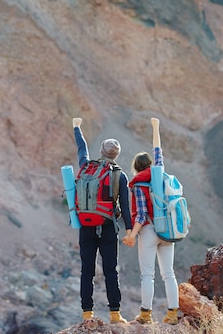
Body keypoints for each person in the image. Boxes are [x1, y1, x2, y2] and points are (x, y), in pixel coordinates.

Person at [72, 117, 132, 324]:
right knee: (110, 270)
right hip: (107, 227)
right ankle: (115, 314)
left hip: (86, 226)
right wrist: (130, 231)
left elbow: (81, 148)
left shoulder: (86, 166)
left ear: (102, 151)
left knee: (86, 269)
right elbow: (125, 206)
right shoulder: (120, 175)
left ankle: (87, 314)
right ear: (116, 155)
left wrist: (77, 127)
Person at [122, 118, 180, 325]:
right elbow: (158, 151)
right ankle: (172, 314)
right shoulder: (160, 175)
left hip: (148, 232)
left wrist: (131, 235)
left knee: (148, 275)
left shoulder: (138, 184)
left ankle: (145, 314)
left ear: (135, 169)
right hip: (168, 230)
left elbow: (141, 214)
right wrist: (155, 127)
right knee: (169, 274)